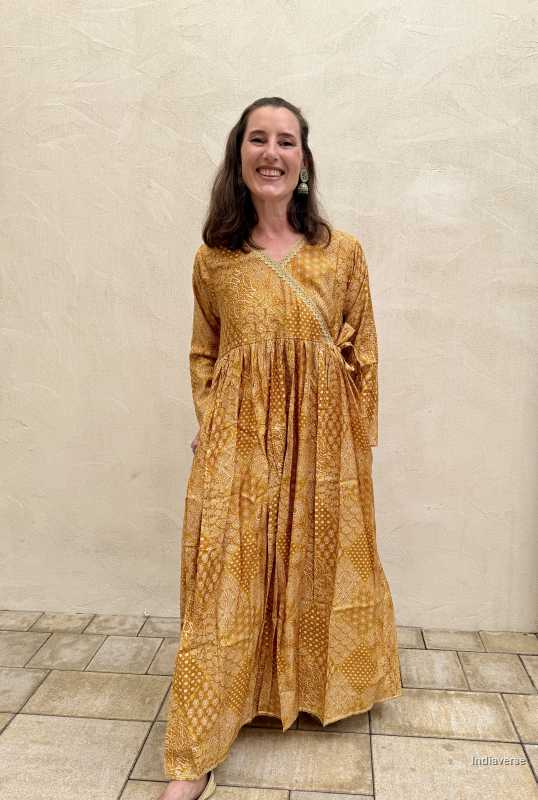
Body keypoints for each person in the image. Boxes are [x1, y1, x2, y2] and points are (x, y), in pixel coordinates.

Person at [159, 96, 402, 800]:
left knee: (312, 563)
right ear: (239, 156)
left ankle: (290, 689)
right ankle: (192, 753)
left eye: (286, 141)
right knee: (224, 576)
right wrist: (210, 416)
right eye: (258, 139)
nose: (272, 152)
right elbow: (204, 352)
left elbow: (364, 353)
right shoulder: (214, 260)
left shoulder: (341, 253)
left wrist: (357, 445)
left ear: (303, 161)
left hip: (323, 442)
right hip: (239, 439)